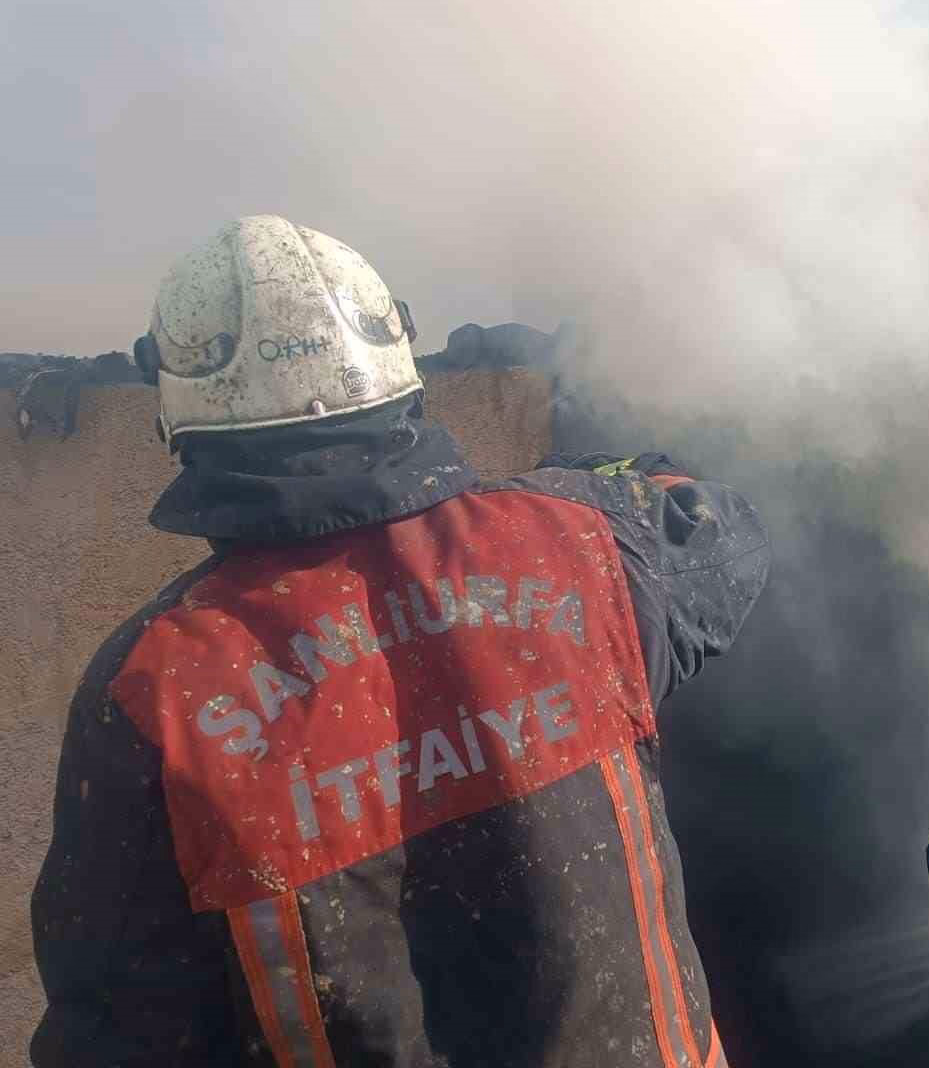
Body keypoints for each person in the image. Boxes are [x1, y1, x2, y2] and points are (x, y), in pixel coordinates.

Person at [31, 215, 770, 1067]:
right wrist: (610, 484)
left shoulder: (159, 687)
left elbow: (117, 1030)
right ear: (396, 362)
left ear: (179, 415)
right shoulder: (583, 543)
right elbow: (727, 536)